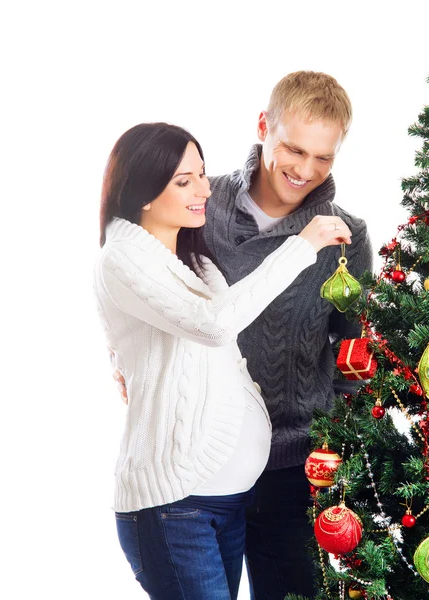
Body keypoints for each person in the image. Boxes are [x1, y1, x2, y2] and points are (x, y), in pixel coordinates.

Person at [94, 122, 352, 600]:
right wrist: (303, 246)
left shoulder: (193, 259)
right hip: (177, 506)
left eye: (203, 175)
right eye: (183, 181)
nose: (203, 190)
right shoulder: (123, 258)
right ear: (144, 193)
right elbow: (213, 325)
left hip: (232, 499)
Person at [202, 71, 373, 599]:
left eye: (323, 157)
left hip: (296, 468)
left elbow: (355, 350)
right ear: (263, 127)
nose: (304, 170)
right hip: (207, 460)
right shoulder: (200, 209)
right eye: (293, 149)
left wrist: (338, 439)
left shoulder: (347, 235)